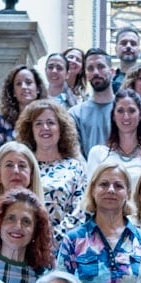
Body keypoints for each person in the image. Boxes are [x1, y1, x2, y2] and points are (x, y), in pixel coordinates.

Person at [56, 158, 141, 283]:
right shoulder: (74, 240)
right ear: (92, 190)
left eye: (118, 185)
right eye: (104, 184)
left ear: (128, 193)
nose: (111, 190)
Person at [18, 99, 88, 235]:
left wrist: (53, 240)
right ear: (30, 130)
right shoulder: (22, 166)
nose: (45, 128)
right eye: (38, 123)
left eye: (51, 123)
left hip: (65, 247)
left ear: (61, 128)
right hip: (24, 243)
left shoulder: (75, 167)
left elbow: (80, 211)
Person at [90, 90, 141, 171]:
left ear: (140, 115)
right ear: (113, 116)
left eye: (131, 111)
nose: (126, 117)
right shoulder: (98, 154)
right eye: (120, 111)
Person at [70, 48, 118, 151]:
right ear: (86, 75)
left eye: (101, 67)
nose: (96, 72)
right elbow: (74, 152)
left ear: (112, 72)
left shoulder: (125, 110)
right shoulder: (75, 114)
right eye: (90, 68)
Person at [0, 64, 45, 152]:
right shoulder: (1, 122)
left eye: (29, 82)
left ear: (38, 88)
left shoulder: (47, 119)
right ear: (14, 92)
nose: (24, 87)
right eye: (19, 84)